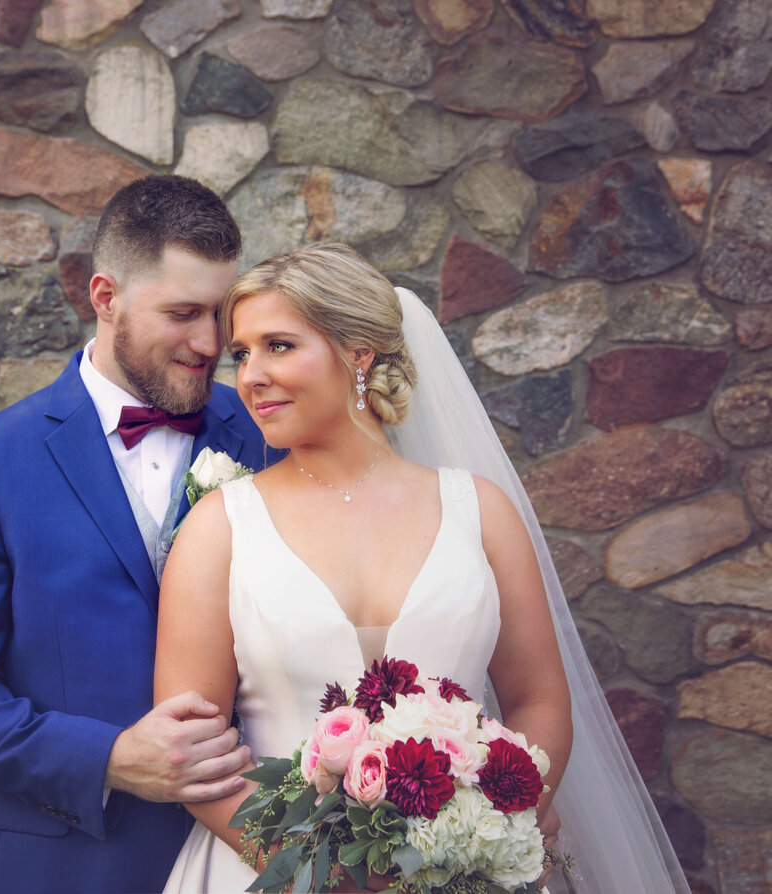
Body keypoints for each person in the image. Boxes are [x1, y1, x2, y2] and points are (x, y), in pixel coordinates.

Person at [156, 243, 691, 893]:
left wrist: (487, 834)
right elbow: (191, 749)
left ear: (359, 353)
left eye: (279, 346)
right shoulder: (219, 529)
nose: (250, 375)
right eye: (242, 354)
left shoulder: (480, 512)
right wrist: (320, 874)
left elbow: (538, 699)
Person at [0, 175, 273, 893]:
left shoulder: (271, 437)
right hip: (66, 867)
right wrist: (108, 757)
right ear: (105, 298)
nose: (211, 343)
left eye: (222, 314)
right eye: (184, 313)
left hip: (259, 860)